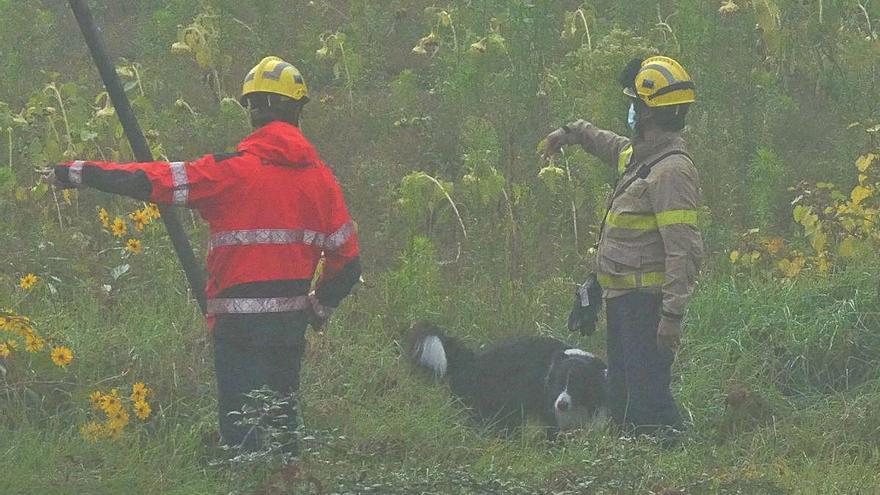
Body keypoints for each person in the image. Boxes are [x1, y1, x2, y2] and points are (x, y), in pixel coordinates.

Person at [47, 56, 361, 455]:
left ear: (252, 110)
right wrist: (317, 308)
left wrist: (76, 172)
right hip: (288, 329)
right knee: (282, 427)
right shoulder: (322, 180)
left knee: (242, 431)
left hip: (237, 331)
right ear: (299, 109)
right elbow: (349, 263)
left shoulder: (229, 171)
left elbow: (151, 180)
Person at [542, 56, 703, 436]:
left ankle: (668, 456)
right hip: (622, 298)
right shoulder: (644, 157)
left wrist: (671, 316)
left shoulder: (672, 171)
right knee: (623, 395)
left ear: (647, 112)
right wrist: (574, 132)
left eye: (635, 103)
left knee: (646, 396)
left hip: (645, 304)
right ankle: (635, 461)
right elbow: (612, 146)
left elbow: (684, 249)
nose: (631, 110)